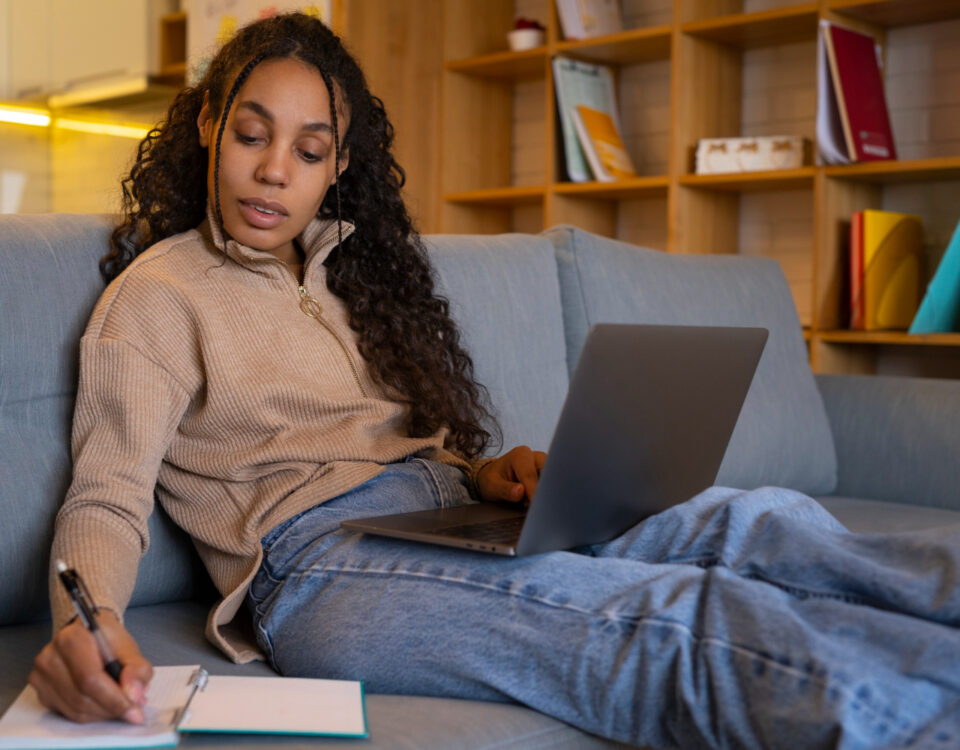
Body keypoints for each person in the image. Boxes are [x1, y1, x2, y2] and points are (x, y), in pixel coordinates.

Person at [29, 12, 960, 749]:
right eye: (252, 135)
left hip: (444, 513)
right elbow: (106, 496)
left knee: (754, 520)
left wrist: (482, 474)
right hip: (321, 570)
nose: (273, 171)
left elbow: (389, 445)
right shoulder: (158, 297)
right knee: (680, 620)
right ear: (208, 125)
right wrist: (90, 620)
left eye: (310, 152)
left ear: (337, 170)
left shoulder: (347, 273)